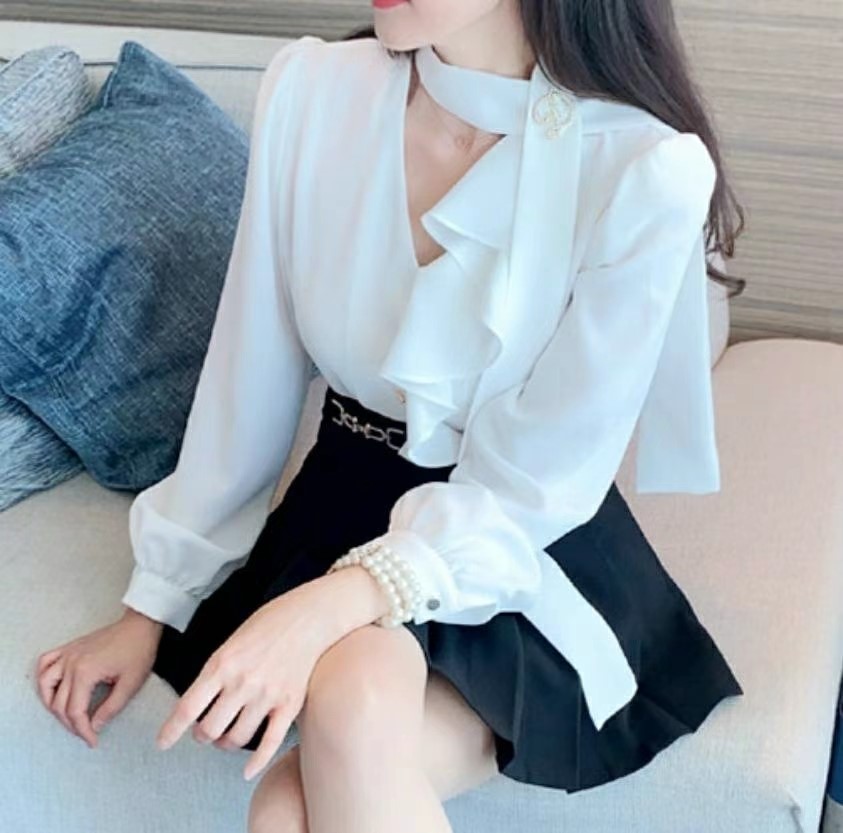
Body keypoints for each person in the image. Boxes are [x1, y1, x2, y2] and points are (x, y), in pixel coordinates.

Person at [34, 1, 747, 831]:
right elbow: (248, 373)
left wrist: (327, 605)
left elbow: (541, 482)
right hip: (337, 503)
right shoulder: (313, 93)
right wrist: (153, 603)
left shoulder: (642, 169)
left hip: (516, 543)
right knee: (295, 789)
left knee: (299, 784)